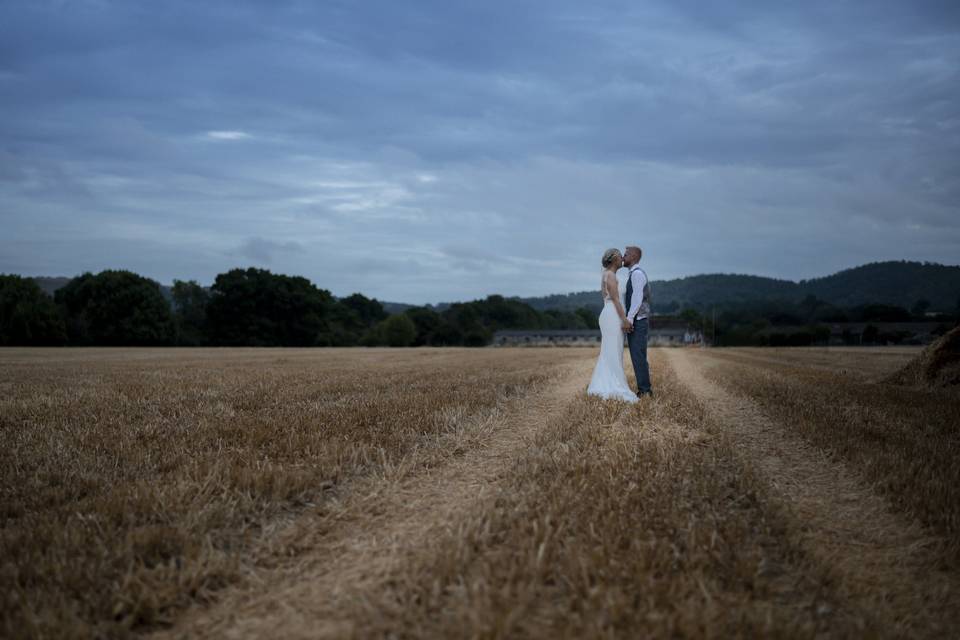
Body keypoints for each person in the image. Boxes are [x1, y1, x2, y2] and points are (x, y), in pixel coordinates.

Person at [586, 248, 638, 403]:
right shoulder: (610, 275)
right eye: (620, 256)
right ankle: (612, 385)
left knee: (611, 350)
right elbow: (615, 300)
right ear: (614, 259)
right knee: (613, 350)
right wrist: (625, 320)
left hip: (609, 314)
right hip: (613, 315)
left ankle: (607, 382)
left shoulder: (607, 275)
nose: (623, 258)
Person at [622, 245, 653, 397]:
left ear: (634, 257)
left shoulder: (637, 274)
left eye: (626, 254)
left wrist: (629, 319)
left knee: (638, 355)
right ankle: (644, 388)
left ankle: (645, 391)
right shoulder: (634, 273)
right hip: (639, 319)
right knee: (638, 355)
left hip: (638, 320)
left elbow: (637, 299)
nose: (623, 257)